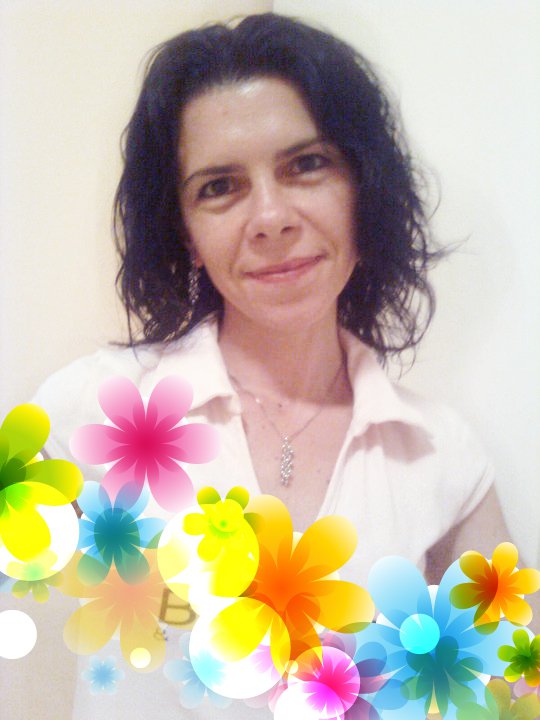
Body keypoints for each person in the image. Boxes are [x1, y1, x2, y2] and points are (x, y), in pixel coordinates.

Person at [27, 12, 518, 719]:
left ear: (363, 190)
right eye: (219, 187)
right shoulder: (93, 409)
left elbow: (506, 689)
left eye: (307, 165)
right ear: (185, 233)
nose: (270, 216)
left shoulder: (440, 457)